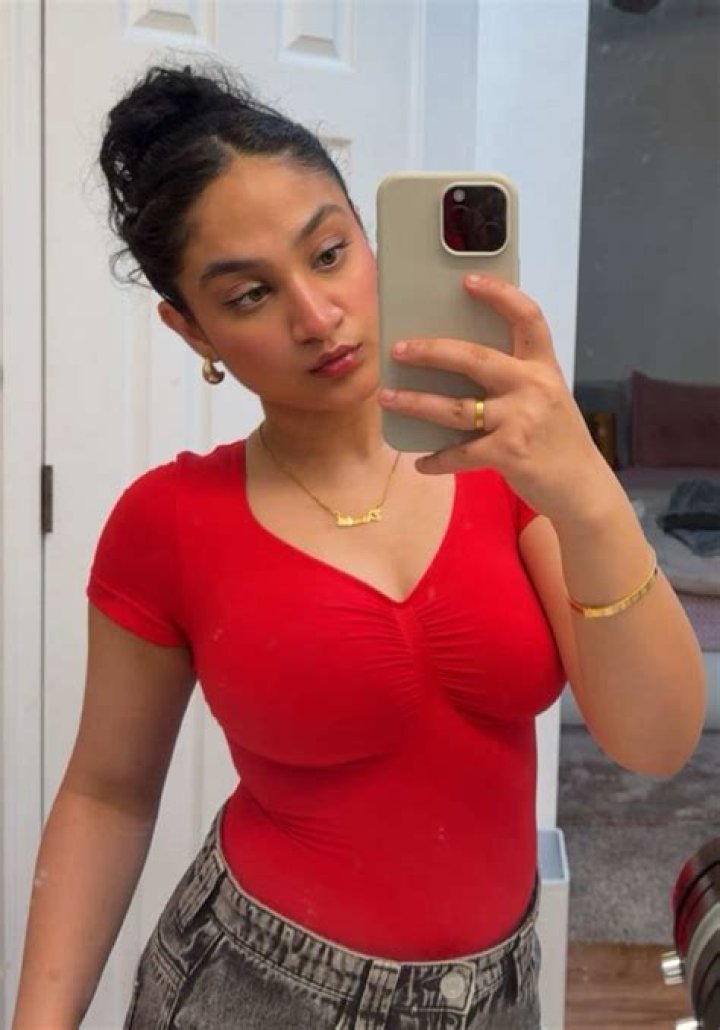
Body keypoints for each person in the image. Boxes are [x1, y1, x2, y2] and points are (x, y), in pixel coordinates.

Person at [13, 62, 706, 1030]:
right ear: (192, 330)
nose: (316, 316)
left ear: (370, 237)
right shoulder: (166, 521)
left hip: (498, 995)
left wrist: (585, 489)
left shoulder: (514, 470)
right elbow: (107, 794)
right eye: (249, 295)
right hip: (255, 991)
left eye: (330, 252)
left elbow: (656, 740)